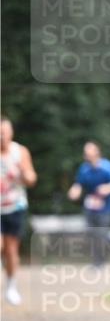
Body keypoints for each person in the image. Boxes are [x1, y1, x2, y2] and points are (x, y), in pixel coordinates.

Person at [1, 117, 37, 305]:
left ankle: (11, 287)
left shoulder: (20, 152)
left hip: (15, 206)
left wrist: (23, 172)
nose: (2, 136)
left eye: (5, 132)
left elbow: (31, 179)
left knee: (10, 250)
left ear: (11, 132)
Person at [67, 142, 110, 266]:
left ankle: (101, 259)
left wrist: (107, 188)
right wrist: (74, 191)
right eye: (86, 154)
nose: (87, 156)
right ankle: (97, 260)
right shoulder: (84, 168)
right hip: (90, 207)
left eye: (90, 153)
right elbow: (78, 184)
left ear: (97, 153)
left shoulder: (107, 167)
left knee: (101, 234)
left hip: (106, 207)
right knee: (91, 233)